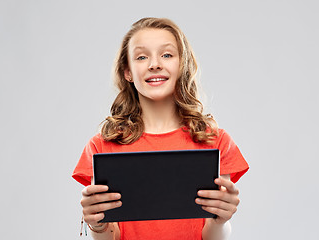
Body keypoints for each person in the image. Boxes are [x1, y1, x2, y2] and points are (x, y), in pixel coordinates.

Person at [72, 17, 249, 240]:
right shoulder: (102, 145)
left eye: (166, 55)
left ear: (181, 64)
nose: (154, 64)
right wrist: (96, 225)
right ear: (127, 72)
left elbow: (213, 236)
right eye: (141, 57)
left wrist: (221, 219)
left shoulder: (215, 141)